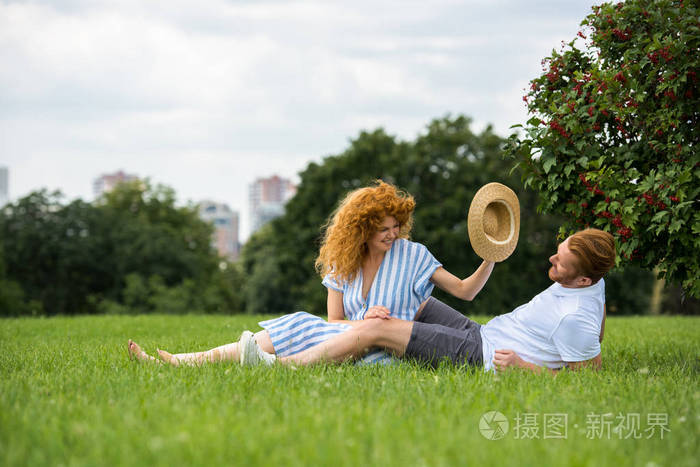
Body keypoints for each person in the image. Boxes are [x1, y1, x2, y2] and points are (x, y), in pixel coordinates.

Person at [128, 180, 503, 366]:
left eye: (396, 226)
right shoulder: (343, 263)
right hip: (344, 338)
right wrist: (363, 320)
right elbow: (336, 321)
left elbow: (466, 291)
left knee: (300, 327)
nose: (393, 234)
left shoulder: (414, 255)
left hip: (383, 349)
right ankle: (181, 361)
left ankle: (249, 364)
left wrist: (491, 256)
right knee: (299, 325)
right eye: (383, 228)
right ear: (362, 228)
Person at [243, 228, 615, 373]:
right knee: (413, 305)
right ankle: (345, 336)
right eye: (558, 250)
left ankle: (286, 367)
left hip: (481, 356)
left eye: (560, 261)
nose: (551, 259)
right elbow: (594, 330)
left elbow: (584, 378)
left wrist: (522, 366)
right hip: (483, 333)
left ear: (581, 277)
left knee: (378, 327)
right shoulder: (591, 286)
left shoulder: (574, 316)